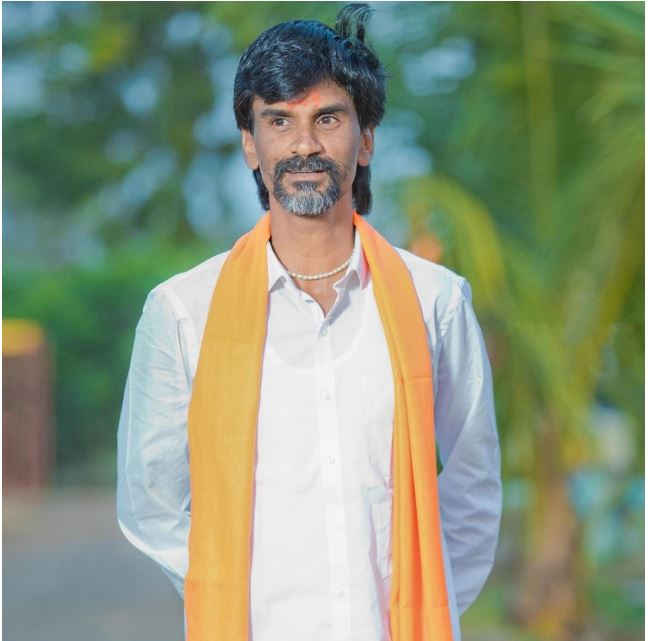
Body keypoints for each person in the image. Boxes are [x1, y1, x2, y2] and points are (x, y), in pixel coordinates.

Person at [116, 5, 502, 641]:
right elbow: (151, 500)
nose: (304, 145)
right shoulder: (184, 311)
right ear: (251, 144)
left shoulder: (436, 300)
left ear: (366, 138)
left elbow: (473, 483)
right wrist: (232, 592)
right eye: (279, 121)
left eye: (327, 118)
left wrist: (420, 606)